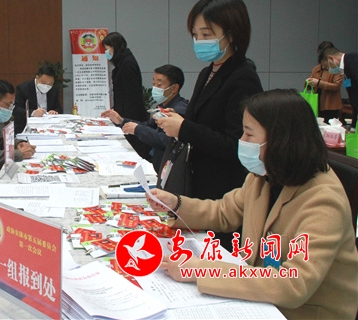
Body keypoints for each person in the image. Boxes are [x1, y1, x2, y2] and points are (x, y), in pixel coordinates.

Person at [149, 89, 358, 320]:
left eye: (249, 134)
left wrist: (199, 270)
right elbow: (224, 212)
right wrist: (176, 204)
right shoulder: (264, 176)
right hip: (262, 302)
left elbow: (294, 284)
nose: (241, 141)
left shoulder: (323, 200)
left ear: (281, 140)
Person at [156, 0, 263, 250]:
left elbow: (236, 144)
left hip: (222, 189)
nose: (199, 42)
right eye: (195, 35)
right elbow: (199, 120)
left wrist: (184, 128)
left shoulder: (243, 77)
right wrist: (177, 120)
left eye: (206, 34)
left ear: (231, 34)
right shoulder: (208, 72)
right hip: (198, 182)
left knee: (216, 254)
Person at [101, 64, 188, 173]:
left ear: (174, 88)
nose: (155, 88)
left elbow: (166, 141)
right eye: (154, 84)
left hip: (168, 168)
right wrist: (122, 121)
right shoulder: (164, 106)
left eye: (159, 84)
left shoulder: (178, 110)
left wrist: (137, 129)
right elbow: (147, 125)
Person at [102, 31, 151, 159]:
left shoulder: (127, 64)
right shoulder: (122, 62)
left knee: (133, 151)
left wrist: (124, 120)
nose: (106, 52)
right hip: (123, 114)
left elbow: (131, 95)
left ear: (115, 47)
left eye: (107, 49)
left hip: (131, 116)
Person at [13, 64, 63, 134]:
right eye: (44, 83)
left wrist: (54, 111)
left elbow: (58, 108)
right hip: (27, 126)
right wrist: (33, 113)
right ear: (37, 78)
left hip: (48, 127)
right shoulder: (23, 88)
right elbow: (16, 109)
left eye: (50, 84)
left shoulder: (54, 90)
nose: (47, 86)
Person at [321, 41, 358, 130]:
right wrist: (353, 126)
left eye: (328, 66)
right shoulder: (345, 71)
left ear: (330, 58)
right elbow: (353, 97)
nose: (329, 70)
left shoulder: (354, 60)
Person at [306, 48, 343, 123]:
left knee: (330, 124)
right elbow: (309, 87)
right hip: (316, 100)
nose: (323, 66)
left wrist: (319, 83)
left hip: (330, 103)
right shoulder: (316, 69)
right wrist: (309, 82)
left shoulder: (336, 69)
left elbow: (336, 86)